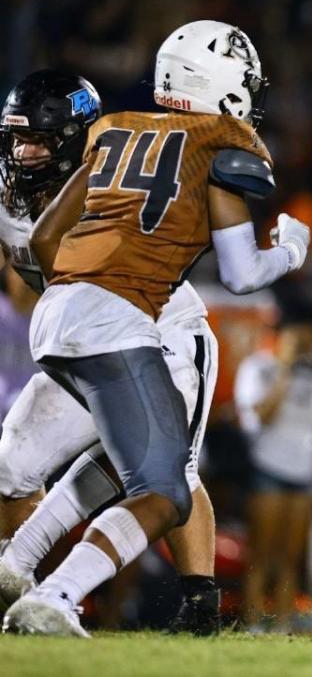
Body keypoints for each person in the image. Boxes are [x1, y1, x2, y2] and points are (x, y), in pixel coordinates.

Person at [1, 20, 310, 637]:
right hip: (133, 319)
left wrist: (79, 281)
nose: (28, 153)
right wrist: (294, 250)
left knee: (135, 465)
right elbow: (244, 274)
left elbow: (41, 243)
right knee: (165, 486)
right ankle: (57, 595)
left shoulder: (115, 130)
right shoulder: (226, 142)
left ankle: (17, 564)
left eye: (40, 142)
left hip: (65, 318)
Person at [0, 69, 225, 635]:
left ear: (77, 142)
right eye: (16, 139)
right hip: (81, 346)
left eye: (41, 142)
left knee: (169, 474)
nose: (24, 154)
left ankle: (200, 602)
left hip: (163, 336)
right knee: (11, 467)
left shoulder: (114, 186)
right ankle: (21, 586)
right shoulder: (8, 192)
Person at [234, 310, 312, 632]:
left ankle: (281, 624)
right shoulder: (258, 368)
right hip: (266, 469)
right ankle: (253, 622)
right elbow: (261, 415)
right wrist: (283, 370)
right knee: (261, 555)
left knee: (290, 558)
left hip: (304, 475)